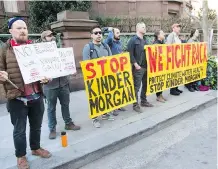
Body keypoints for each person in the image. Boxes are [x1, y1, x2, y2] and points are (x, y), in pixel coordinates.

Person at [0, 17, 51, 169]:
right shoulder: (4, 50)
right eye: (19, 28)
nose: (23, 31)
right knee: (19, 130)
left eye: (24, 28)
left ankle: (35, 148)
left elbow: (45, 69)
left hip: (36, 95)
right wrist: (2, 77)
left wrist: (46, 78)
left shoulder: (35, 48)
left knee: (36, 126)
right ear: (10, 31)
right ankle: (21, 156)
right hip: (17, 98)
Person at [41, 30, 81, 140]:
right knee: (51, 108)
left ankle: (68, 123)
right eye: (49, 36)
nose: (52, 37)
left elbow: (66, 66)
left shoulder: (60, 51)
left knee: (65, 105)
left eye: (53, 35)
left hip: (63, 83)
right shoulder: (40, 55)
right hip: (50, 86)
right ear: (44, 39)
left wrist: (71, 70)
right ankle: (52, 129)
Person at [82, 26, 115, 128]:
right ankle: (95, 118)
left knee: (104, 96)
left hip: (105, 77)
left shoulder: (106, 46)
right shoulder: (88, 47)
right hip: (93, 79)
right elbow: (86, 64)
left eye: (100, 32)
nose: (99, 35)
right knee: (94, 98)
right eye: (96, 33)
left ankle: (104, 114)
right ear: (91, 35)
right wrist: (100, 62)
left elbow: (111, 60)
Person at [127, 22, 153, 113]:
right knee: (136, 87)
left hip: (146, 66)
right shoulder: (133, 40)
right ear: (138, 29)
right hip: (138, 67)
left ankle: (143, 101)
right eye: (143, 27)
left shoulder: (145, 40)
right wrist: (135, 64)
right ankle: (135, 104)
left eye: (145, 26)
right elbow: (129, 53)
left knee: (145, 85)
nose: (145, 28)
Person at [104, 27, 126, 113]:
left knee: (119, 87)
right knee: (113, 88)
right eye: (117, 33)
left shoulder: (119, 42)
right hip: (111, 68)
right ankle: (113, 107)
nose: (119, 34)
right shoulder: (110, 42)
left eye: (119, 32)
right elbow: (109, 39)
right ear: (113, 34)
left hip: (119, 68)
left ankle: (119, 104)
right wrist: (110, 30)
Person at [166, 23, 183, 96]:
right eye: (177, 27)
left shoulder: (177, 36)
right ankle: (172, 90)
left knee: (177, 74)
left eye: (179, 27)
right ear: (173, 28)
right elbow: (168, 47)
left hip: (178, 58)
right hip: (173, 58)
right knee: (173, 74)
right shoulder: (171, 35)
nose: (179, 28)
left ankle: (176, 88)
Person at [153, 30, 167, 103]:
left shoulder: (162, 43)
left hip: (162, 65)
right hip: (157, 66)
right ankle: (158, 96)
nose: (164, 34)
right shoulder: (156, 44)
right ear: (158, 35)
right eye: (162, 33)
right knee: (158, 81)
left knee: (161, 81)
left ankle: (160, 95)